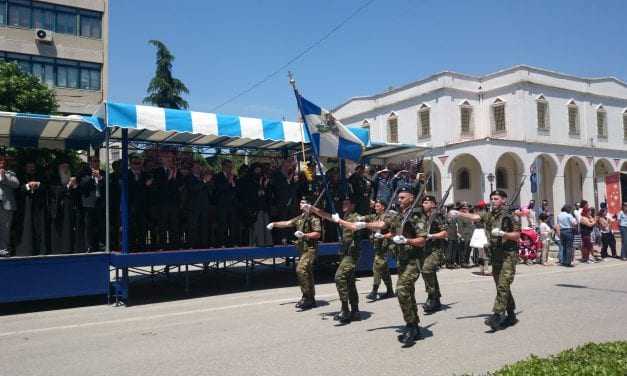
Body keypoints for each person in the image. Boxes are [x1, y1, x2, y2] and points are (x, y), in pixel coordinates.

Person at [450, 190, 521, 331]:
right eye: (491, 198)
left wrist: (504, 233)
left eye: (496, 198)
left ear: (503, 200)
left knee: (503, 285)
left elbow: (517, 235)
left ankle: (497, 314)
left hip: (508, 255)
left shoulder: (510, 216)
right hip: (495, 255)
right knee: (501, 286)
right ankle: (511, 314)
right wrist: (459, 213)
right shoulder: (489, 215)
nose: (493, 200)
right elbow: (475, 217)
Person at [304, 196, 367, 324]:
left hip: (352, 254)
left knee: (339, 277)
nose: (344, 205)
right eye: (343, 203)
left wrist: (339, 221)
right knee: (349, 281)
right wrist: (312, 208)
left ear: (353, 206)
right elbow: (326, 215)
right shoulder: (344, 217)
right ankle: (355, 310)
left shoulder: (357, 217)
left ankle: (345, 310)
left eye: (347, 203)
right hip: (344, 253)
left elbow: (355, 227)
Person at [267, 199, 322, 310]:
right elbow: (287, 223)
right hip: (302, 250)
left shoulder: (313, 218)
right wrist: (274, 224)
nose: (300, 204)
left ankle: (306, 297)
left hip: (310, 249)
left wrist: (304, 235)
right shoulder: (300, 218)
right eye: (300, 202)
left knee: (300, 269)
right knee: (308, 273)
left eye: (303, 203)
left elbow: (317, 234)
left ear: (308, 205)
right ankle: (311, 299)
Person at [362, 199, 395, 301]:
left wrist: (383, 236)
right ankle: (390, 291)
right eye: (375, 206)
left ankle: (374, 291)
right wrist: (358, 218)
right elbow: (366, 217)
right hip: (378, 247)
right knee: (383, 269)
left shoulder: (388, 216)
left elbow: (389, 229)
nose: (375, 208)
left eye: (377, 206)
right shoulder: (375, 216)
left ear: (383, 207)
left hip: (386, 246)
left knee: (377, 266)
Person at [15, 160, 49, 256]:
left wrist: (38, 185)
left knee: (39, 227)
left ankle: (39, 249)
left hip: (38, 207)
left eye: (33, 166)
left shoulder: (40, 176)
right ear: (26, 168)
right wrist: (27, 186)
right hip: (25, 207)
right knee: (26, 227)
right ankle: (26, 250)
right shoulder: (20, 176)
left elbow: (46, 187)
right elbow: (17, 189)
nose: (31, 168)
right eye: (29, 166)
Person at [49, 159, 80, 254]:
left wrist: (74, 187)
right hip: (58, 209)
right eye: (63, 167)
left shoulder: (71, 178)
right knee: (59, 230)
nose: (66, 170)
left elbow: (77, 194)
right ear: (59, 169)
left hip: (70, 208)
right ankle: (58, 250)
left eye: (67, 167)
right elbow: (56, 191)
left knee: (69, 228)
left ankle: (68, 248)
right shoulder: (54, 178)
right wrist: (67, 187)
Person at [78, 157, 105, 253]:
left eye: (98, 161)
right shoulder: (84, 173)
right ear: (90, 163)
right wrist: (92, 177)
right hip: (88, 203)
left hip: (100, 203)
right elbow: (82, 185)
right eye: (94, 161)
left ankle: (100, 244)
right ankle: (88, 246)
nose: (97, 163)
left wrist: (100, 178)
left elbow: (107, 184)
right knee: (88, 225)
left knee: (100, 225)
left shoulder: (103, 173)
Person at [0, 154, 20, 257]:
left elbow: (16, 184)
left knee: (5, 228)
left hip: (6, 205)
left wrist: (4, 177)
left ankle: (3, 250)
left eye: (2, 162)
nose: (1, 163)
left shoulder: (10, 173)